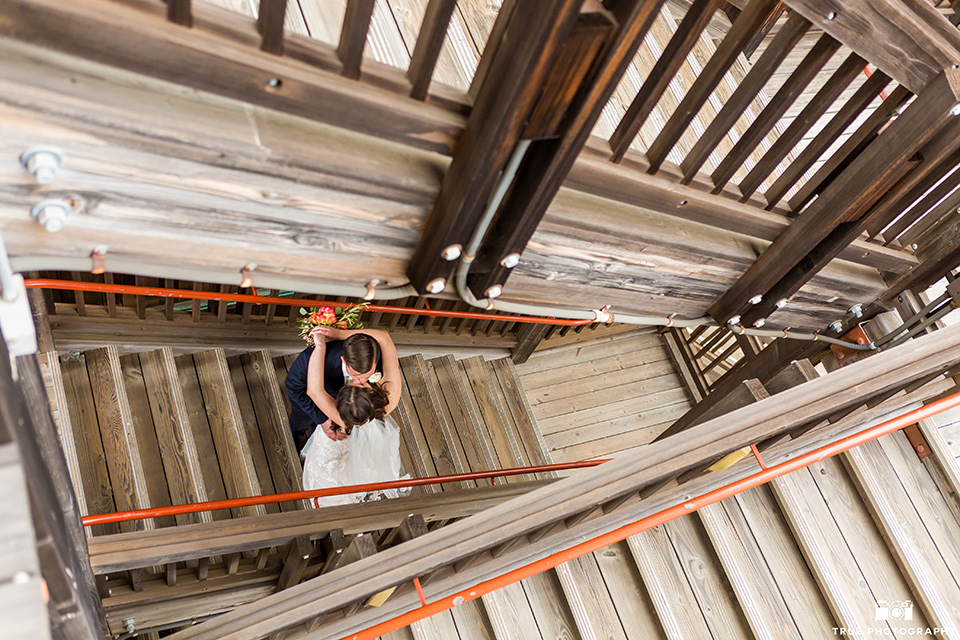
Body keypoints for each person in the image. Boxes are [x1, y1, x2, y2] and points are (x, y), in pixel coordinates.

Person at [300, 326, 409, 508]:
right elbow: (384, 336)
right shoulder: (390, 398)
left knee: (327, 465)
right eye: (361, 385)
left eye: (355, 384)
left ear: (339, 406)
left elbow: (313, 389)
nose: (358, 380)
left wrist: (320, 346)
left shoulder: (341, 419)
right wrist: (340, 334)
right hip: (363, 446)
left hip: (341, 445)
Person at [284, 330, 383, 448]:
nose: (360, 382)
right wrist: (322, 419)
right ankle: (294, 440)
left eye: (367, 376)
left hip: (346, 409)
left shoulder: (373, 356)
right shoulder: (309, 360)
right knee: (299, 426)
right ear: (344, 360)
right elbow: (293, 387)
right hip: (310, 407)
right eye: (356, 376)